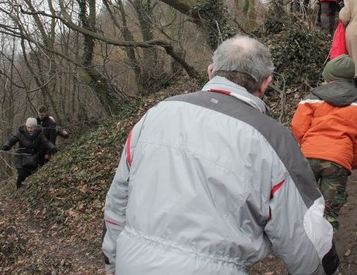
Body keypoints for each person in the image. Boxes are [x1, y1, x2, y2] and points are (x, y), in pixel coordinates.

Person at [102, 36, 340, 275]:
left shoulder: (154, 115)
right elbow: (302, 229)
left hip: (132, 263)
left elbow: (118, 200)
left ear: (210, 72)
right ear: (266, 82)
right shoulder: (273, 138)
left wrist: (113, 261)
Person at [291, 55, 357, 231]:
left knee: (303, 203)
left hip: (308, 157)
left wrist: (306, 145)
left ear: (328, 77)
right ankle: (325, 251)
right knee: (329, 212)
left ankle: (301, 241)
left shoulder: (311, 98)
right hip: (338, 160)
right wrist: (350, 161)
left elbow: (298, 127)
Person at [1, 117, 57, 189]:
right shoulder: (20, 132)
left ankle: (25, 190)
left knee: (30, 174)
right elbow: (12, 139)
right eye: (28, 127)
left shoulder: (40, 134)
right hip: (21, 157)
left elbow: (46, 142)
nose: (30, 129)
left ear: (36, 127)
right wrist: (7, 145)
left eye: (32, 128)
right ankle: (18, 189)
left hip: (32, 158)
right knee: (22, 174)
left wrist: (52, 148)